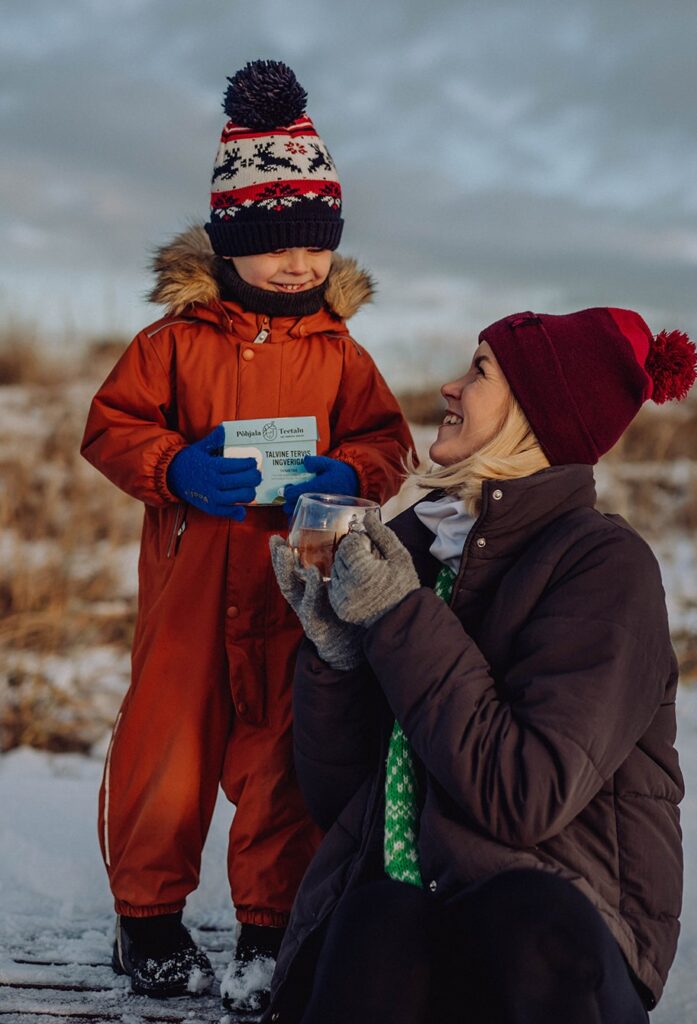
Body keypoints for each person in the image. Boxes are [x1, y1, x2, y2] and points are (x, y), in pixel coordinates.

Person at [80, 60, 414, 1013]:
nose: (298, 266)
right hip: (187, 602)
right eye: (274, 248)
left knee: (282, 766)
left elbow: (386, 442)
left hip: (290, 598)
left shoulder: (344, 355)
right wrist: (174, 467)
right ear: (229, 245)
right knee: (165, 759)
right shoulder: (171, 343)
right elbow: (110, 426)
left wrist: (350, 474)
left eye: (314, 248)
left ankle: (269, 934)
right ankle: (146, 923)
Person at [267, 307, 697, 1023]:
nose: (450, 387)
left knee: (522, 914)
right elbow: (340, 798)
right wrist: (337, 659)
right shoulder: (412, 546)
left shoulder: (603, 566)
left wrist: (399, 620)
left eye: (480, 371)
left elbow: (524, 795)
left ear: (537, 411)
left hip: (555, 931)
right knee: (372, 920)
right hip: (412, 909)